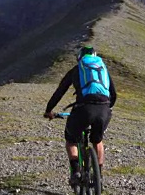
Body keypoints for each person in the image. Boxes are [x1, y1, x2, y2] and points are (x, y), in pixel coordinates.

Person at [43, 46, 117, 186]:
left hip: (83, 109)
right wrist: (107, 109)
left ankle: (76, 171)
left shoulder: (77, 70)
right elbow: (113, 94)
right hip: (103, 110)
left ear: (79, 58)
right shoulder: (103, 70)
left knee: (71, 139)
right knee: (97, 140)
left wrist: (49, 110)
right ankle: (99, 177)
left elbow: (60, 92)